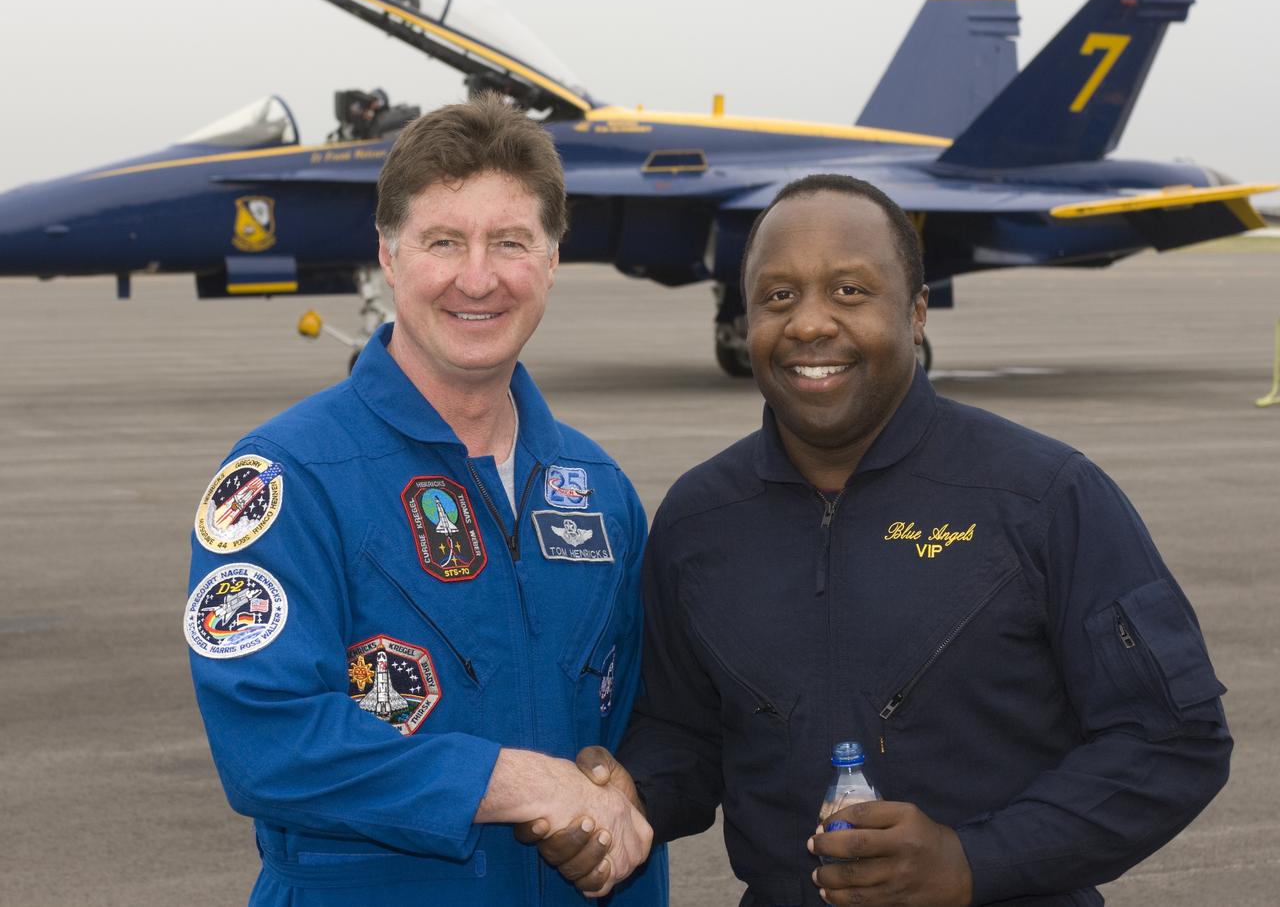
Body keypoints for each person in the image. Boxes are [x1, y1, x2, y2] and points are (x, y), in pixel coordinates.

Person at [528, 173, 1231, 906]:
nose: (808, 324)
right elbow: (684, 735)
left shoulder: (1045, 496)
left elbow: (1175, 740)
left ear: (917, 312)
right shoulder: (699, 519)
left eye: (850, 291)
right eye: (778, 296)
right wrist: (625, 796)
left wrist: (974, 860)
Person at [184, 94, 666, 906]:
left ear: (551, 261)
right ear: (390, 255)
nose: (477, 278)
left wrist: (624, 788)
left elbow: (652, 715)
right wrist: (512, 782)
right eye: (444, 241)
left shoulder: (599, 491)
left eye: (510, 243)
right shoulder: (282, 478)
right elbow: (268, 737)